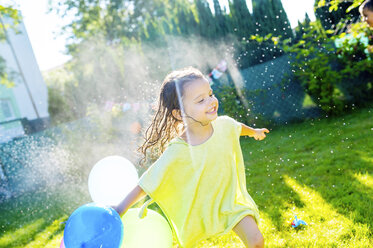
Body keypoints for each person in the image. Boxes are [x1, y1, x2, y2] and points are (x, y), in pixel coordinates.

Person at [114, 67, 269, 248]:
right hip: (201, 209)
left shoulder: (224, 125)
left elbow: (237, 127)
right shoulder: (178, 150)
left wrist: (254, 132)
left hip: (231, 202)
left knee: (256, 241)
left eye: (210, 94)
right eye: (201, 100)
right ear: (179, 114)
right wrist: (119, 209)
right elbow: (147, 182)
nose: (211, 101)